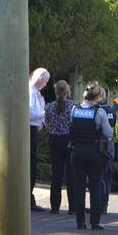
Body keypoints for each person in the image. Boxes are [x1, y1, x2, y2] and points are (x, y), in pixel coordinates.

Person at [69, 82, 113, 230]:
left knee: (79, 187)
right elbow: (108, 133)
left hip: (77, 152)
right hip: (94, 153)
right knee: (94, 187)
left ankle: (80, 222)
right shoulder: (99, 112)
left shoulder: (74, 109)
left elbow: (71, 127)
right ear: (98, 96)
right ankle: (95, 222)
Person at [45, 80, 75, 214]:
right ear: (67, 91)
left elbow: (47, 125)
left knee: (56, 175)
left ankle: (55, 206)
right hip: (69, 141)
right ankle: (73, 207)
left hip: (54, 141)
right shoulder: (73, 106)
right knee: (71, 175)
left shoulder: (49, 107)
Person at [29, 68, 50, 212]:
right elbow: (30, 113)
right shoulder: (30, 92)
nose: (46, 85)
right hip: (28, 129)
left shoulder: (36, 93)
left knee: (32, 164)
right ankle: (28, 200)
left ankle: (29, 198)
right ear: (40, 79)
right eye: (46, 81)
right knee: (30, 165)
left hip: (33, 129)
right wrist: (44, 113)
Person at [98, 87, 115, 215]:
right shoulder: (110, 110)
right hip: (109, 145)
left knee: (98, 176)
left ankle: (98, 203)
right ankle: (105, 204)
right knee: (107, 177)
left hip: (98, 145)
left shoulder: (96, 110)